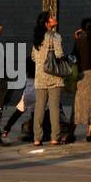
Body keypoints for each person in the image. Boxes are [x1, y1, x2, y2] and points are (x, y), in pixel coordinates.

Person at [30, 11, 66, 147]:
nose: (54, 18)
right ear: (47, 23)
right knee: (54, 107)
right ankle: (54, 138)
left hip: (40, 76)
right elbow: (59, 54)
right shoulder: (55, 36)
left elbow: (33, 57)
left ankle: (37, 138)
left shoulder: (37, 37)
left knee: (39, 107)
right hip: (54, 76)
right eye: (51, 18)